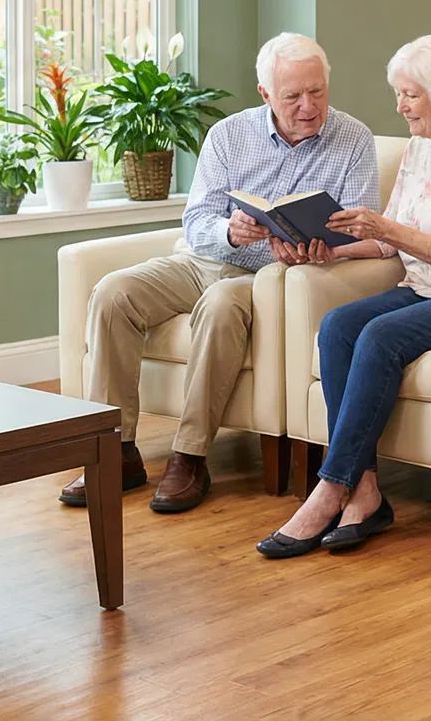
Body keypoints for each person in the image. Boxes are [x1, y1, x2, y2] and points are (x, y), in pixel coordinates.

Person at [62, 33, 378, 514]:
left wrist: (323, 253)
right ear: (265, 94)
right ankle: (115, 452)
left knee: (220, 305)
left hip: (268, 281)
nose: (309, 106)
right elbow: (196, 221)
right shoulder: (229, 135)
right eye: (293, 96)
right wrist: (231, 231)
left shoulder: (353, 139)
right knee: (112, 293)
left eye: (317, 91)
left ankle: (189, 457)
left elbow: (363, 228)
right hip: (205, 260)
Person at [256, 34, 431, 558]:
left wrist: (385, 227)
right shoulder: (420, 149)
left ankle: (331, 487)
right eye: (400, 93)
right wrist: (334, 250)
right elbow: (394, 237)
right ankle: (366, 492)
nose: (400, 105)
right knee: (340, 326)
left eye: (410, 94)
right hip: (428, 286)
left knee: (381, 336)